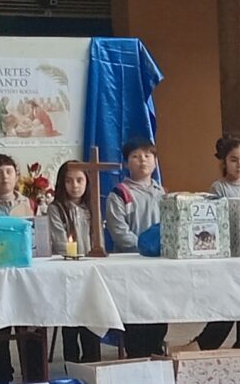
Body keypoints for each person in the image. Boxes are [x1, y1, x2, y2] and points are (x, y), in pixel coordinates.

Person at [0, 153, 48, 384]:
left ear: (16, 176)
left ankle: (35, 375)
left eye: (8, 172)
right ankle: (0, 375)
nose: (4, 177)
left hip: (26, 276)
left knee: (32, 323)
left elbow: (39, 238)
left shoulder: (31, 204)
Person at [195, 136, 240, 351]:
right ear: (224, 162)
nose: (239, 165)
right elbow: (215, 220)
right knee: (229, 299)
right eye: (234, 160)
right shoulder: (218, 188)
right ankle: (206, 343)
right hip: (228, 253)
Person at [104, 139, 170, 356]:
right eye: (135, 156)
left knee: (159, 313)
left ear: (155, 161)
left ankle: (157, 351)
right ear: (126, 163)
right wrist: (144, 248)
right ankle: (136, 357)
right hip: (131, 264)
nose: (143, 160)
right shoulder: (119, 193)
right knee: (136, 316)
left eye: (148, 156)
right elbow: (119, 232)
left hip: (158, 264)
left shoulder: (163, 193)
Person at [41, 160, 102, 369]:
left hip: (91, 271)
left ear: (87, 182)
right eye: (69, 181)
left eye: (79, 180)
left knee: (92, 317)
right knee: (71, 322)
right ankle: (72, 365)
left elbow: (99, 238)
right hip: (68, 271)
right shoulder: (56, 208)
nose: (75, 186)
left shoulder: (92, 207)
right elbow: (60, 241)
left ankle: (92, 363)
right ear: (61, 183)